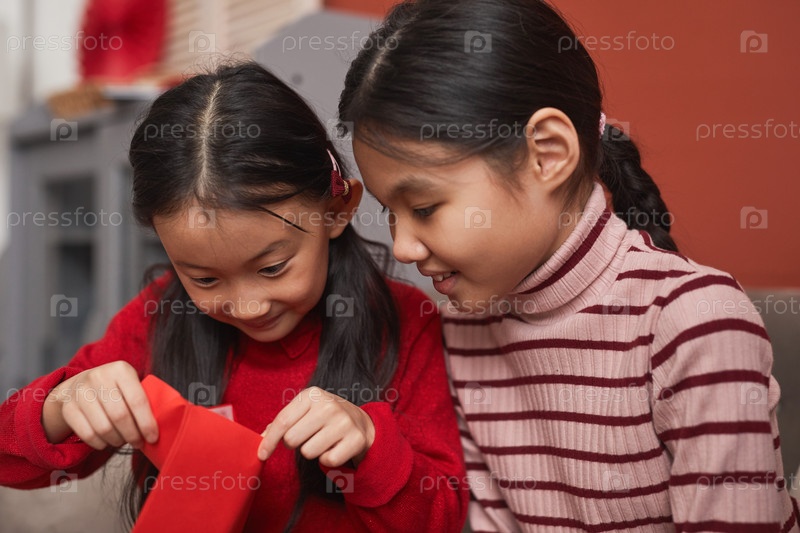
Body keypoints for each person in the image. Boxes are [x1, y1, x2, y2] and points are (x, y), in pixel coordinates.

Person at [338, 0, 799, 530]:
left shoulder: (696, 322)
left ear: (548, 153)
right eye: (390, 213)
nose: (402, 248)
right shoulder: (465, 327)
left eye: (423, 208)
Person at [0, 61, 468, 532]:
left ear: (336, 210)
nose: (248, 307)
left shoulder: (405, 323)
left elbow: (442, 519)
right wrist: (62, 404)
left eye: (272, 268)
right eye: (204, 279)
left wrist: (370, 445)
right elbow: (9, 461)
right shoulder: (157, 317)